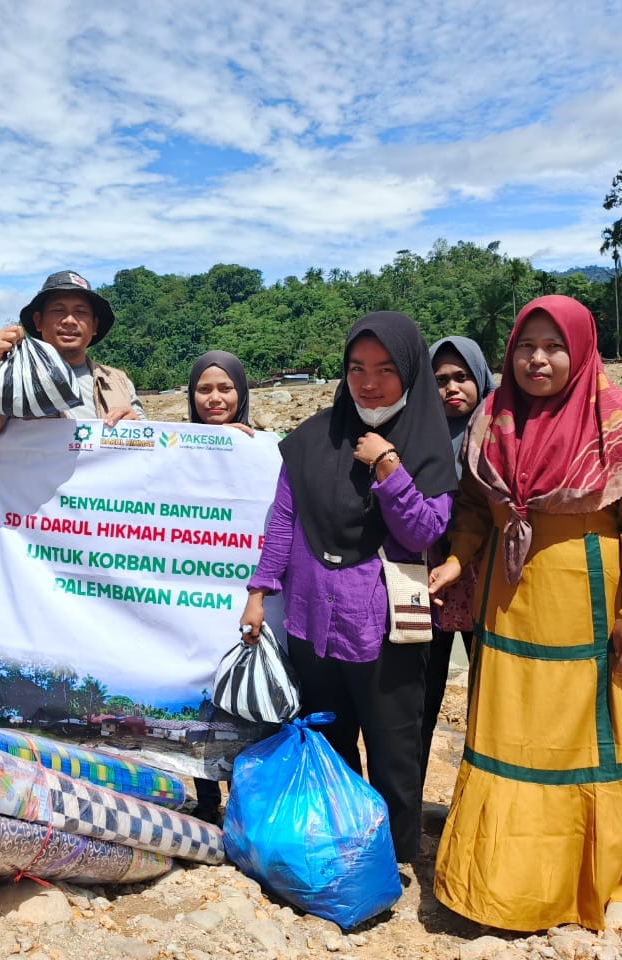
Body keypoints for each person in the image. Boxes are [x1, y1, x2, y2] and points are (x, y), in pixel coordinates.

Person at [429, 296, 622, 931]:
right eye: (526, 346)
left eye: (553, 347)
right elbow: (478, 507)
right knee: (514, 733)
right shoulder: (493, 417)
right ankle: (506, 883)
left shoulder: (613, 422)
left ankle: (593, 879)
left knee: (589, 737)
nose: (538, 359)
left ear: (581, 350)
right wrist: (458, 558)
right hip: (509, 611)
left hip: (589, 615)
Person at [239, 313, 458, 863]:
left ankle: (395, 853)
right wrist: (260, 590)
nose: (369, 382)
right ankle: (345, 845)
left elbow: (425, 531)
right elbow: (285, 521)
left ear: (409, 372)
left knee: (393, 747)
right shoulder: (313, 439)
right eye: (357, 368)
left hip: (384, 625)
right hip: (313, 620)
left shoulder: (427, 445)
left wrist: (387, 466)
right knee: (331, 740)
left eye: (386, 369)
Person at [0, 270, 143, 461]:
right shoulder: (14, 379)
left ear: (94, 325)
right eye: (58, 310)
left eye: (81, 312)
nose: (69, 320)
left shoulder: (118, 382)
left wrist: (136, 428)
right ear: (38, 321)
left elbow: (149, 454)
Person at [420, 335, 495, 786]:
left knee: (489, 699)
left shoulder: (504, 432)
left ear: (480, 377)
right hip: (430, 582)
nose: (452, 388)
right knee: (421, 701)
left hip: (490, 583)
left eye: (461, 377)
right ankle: (407, 806)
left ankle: (480, 799)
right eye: (440, 380)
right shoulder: (420, 437)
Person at [187, 350, 254, 823]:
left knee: (243, 699)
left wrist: (238, 448)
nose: (215, 398)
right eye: (204, 389)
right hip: (190, 599)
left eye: (224, 388)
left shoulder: (264, 447)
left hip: (241, 598)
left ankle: (246, 803)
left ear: (242, 393)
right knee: (198, 695)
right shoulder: (174, 444)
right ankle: (208, 802)